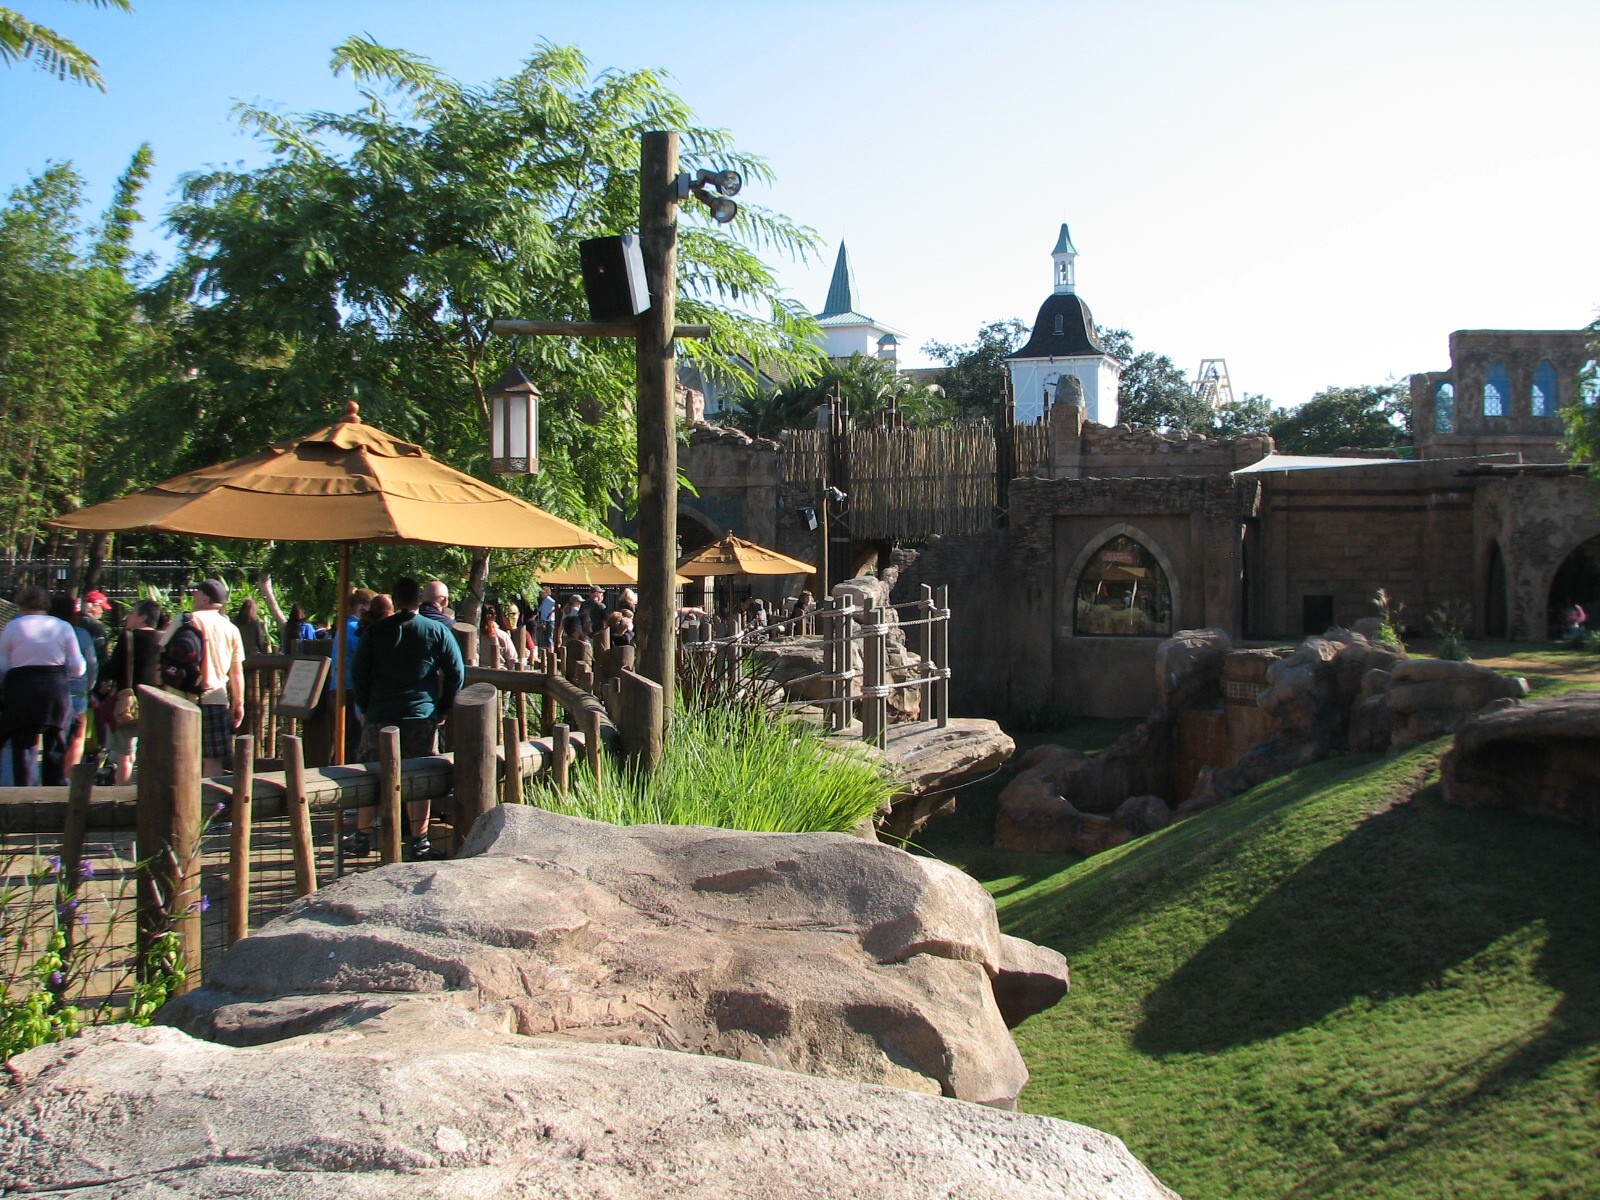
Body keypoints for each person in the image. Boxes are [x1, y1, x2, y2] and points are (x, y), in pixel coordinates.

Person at [349, 576, 465, 861]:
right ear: (419, 600)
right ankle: (420, 839)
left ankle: (362, 835)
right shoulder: (437, 631)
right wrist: (442, 707)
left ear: (395, 600)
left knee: (372, 773)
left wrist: (365, 705)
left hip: (379, 715)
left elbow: (358, 674)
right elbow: (456, 672)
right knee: (419, 779)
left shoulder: (375, 632)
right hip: (420, 715)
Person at [0, 586, 85, 787]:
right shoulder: (63, 627)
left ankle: (26, 795)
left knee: (24, 747)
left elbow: (2, 665)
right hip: (55, 688)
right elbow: (78, 667)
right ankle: (54, 792)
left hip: (21, 688)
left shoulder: (13, 627)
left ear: (21, 604)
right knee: (56, 744)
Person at [182, 579, 247, 777]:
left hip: (183, 697)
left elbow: (161, 650)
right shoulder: (231, 629)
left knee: (183, 755)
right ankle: (211, 805)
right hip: (216, 698)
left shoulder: (188, 619)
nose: (193, 596)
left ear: (205, 598)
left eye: (196, 593)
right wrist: (238, 702)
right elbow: (236, 671)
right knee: (213, 760)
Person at [102, 598, 163, 785]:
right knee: (154, 753)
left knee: (125, 755)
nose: (128, 617)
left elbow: (112, 670)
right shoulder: (164, 639)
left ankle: (122, 796)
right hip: (157, 703)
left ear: (142, 618)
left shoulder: (127, 638)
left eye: (132, 613)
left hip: (128, 703)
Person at [47, 596, 97, 774]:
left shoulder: (47, 632)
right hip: (77, 690)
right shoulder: (81, 634)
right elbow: (91, 664)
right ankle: (69, 776)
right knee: (77, 736)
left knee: (52, 736)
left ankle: (52, 775)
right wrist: (89, 687)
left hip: (51, 687)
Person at [480, 604, 517, 669]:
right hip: (500, 674)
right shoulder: (502, 635)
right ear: (494, 617)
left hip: (478, 672)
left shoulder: (475, 636)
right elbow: (512, 659)